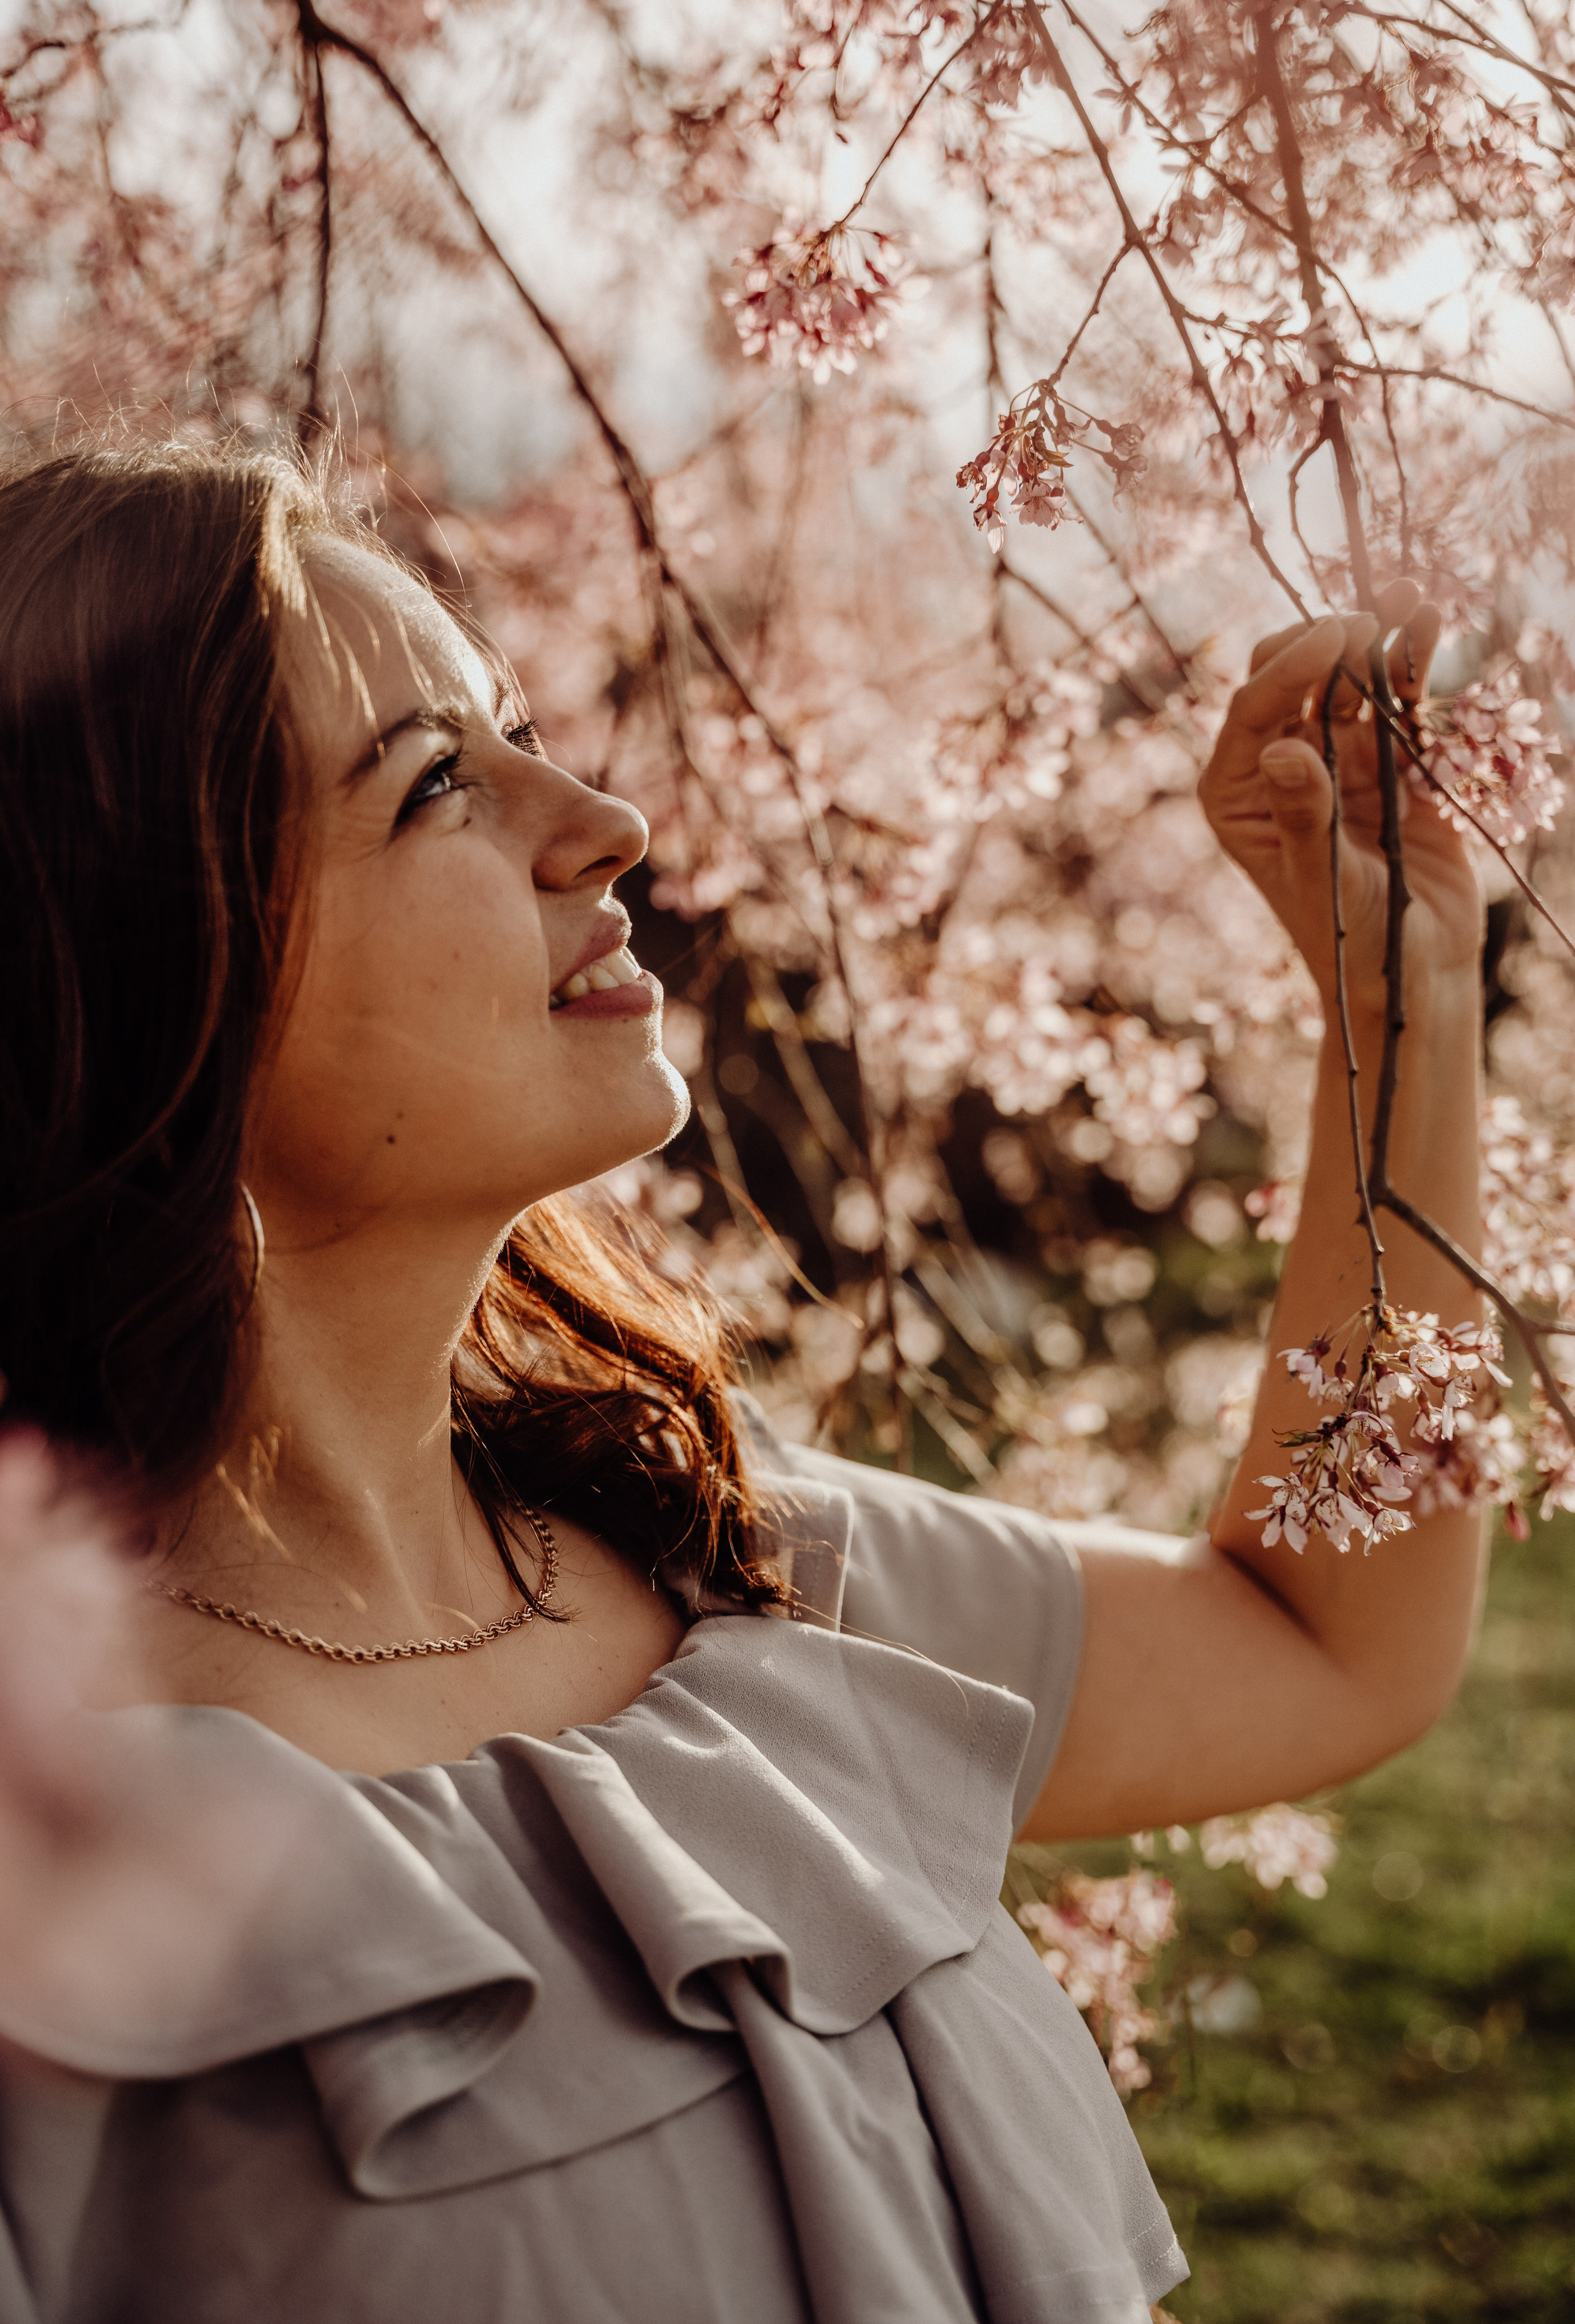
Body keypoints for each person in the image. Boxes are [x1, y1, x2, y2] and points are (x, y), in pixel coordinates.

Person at [0, 441, 1485, 2324]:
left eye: (523, 730)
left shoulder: (715, 1546)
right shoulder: (44, 1822)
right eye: (436, 780)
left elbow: (1324, 1642)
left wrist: (1403, 1013)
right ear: (149, 961)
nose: (605, 819)